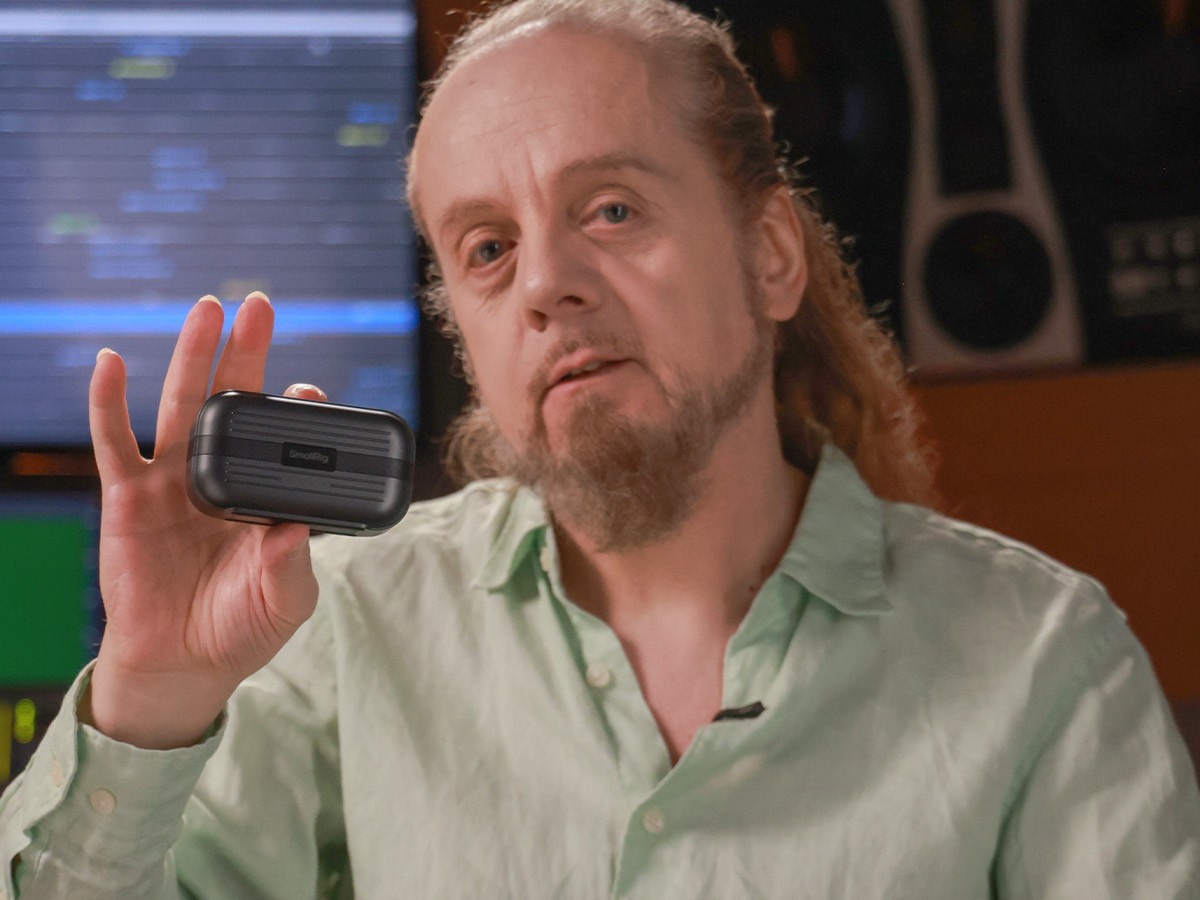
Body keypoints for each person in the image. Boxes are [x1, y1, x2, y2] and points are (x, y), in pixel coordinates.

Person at [2, 0, 1198, 896]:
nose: (546, 286)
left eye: (612, 209)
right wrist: (151, 701)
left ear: (771, 255)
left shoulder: (1046, 664)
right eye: (487, 249)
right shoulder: (336, 632)